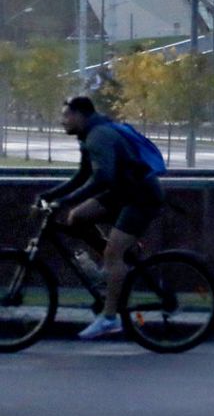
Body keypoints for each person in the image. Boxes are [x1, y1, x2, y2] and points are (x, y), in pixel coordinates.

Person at [37, 96, 165, 341]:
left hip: (140, 197)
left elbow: (102, 178)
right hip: (122, 193)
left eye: (66, 115)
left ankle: (109, 317)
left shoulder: (98, 136)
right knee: (76, 218)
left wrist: (62, 201)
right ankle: (109, 269)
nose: (62, 121)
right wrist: (49, 195)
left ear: (80, 115)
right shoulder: (89, 135)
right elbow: (82, 176)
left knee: (113, 254)